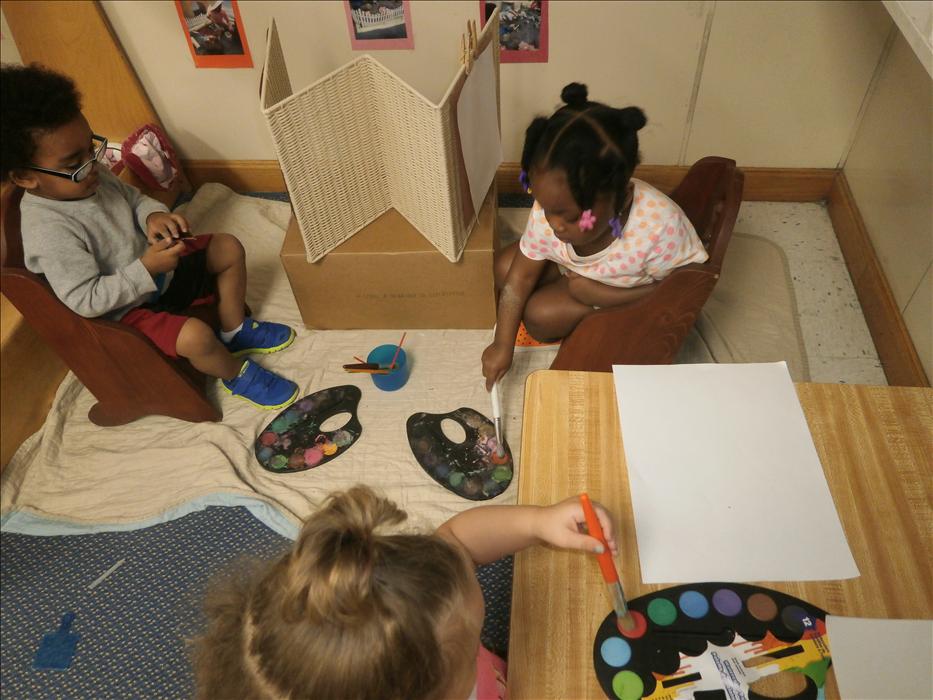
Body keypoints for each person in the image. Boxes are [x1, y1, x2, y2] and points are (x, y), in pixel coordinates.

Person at [1, 63, 299, 410]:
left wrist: (152, 215)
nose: (93, 163)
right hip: (125, 311)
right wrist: (146, 268)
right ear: (24, 177)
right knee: (198, 338)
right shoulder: (49, 231)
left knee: (228, 247)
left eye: (91, 147)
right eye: (74, 163)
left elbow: (132, 199)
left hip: (158, 268)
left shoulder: (92, 175)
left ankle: (235, 329)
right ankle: (235, 374)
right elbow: (86, 300)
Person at [192, 485, 618, 699]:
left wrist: (536, 523)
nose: (479, 640)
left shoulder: (416, 608)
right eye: (472, 647)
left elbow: (460, 541)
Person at [481, 83, 708, 390]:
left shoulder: (658, 228)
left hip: (624, 288)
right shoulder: (553, 211)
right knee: (505, 269)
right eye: (547, 207)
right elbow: (519, 278)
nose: (555, 225)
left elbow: (683, 291)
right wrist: (502, 345)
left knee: (539, 318)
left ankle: (595, 309)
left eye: (573, 216)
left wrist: (601, 298)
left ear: (623, 199)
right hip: (576, 271)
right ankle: (578, 287)